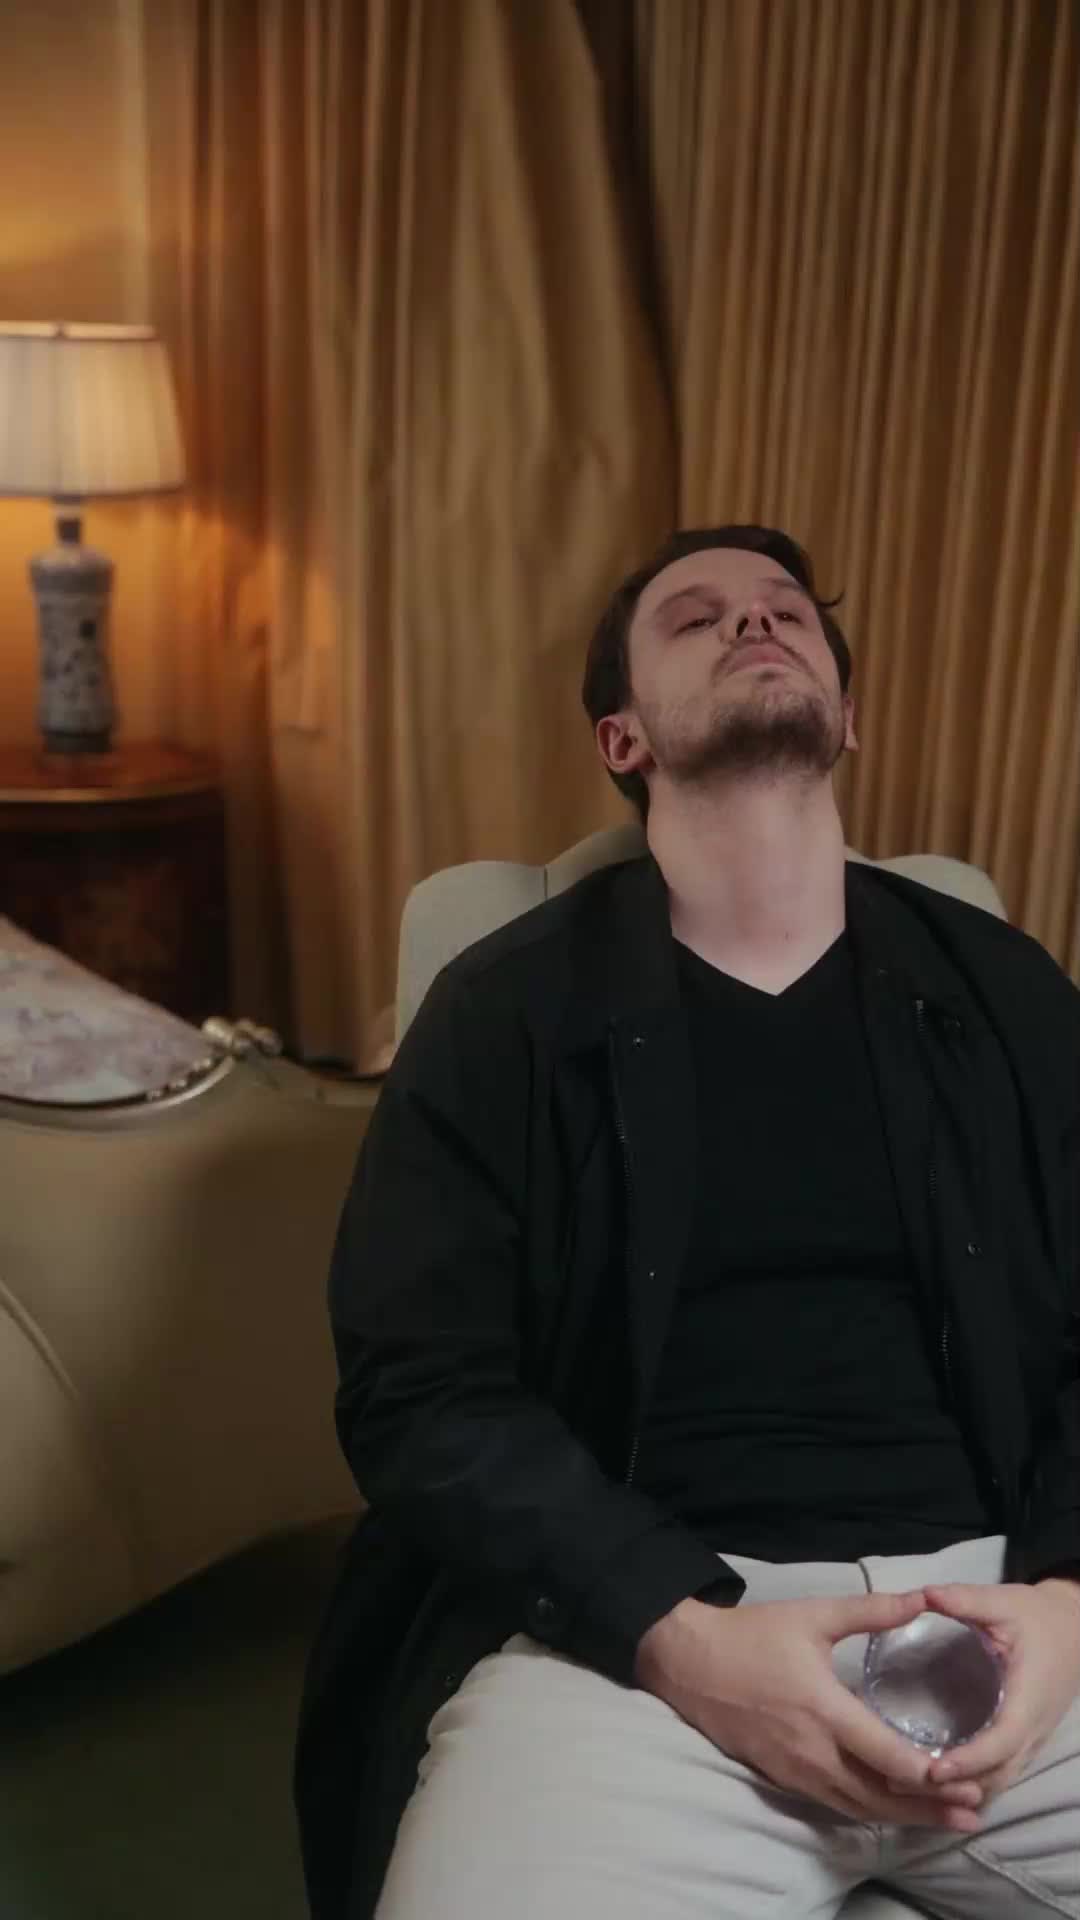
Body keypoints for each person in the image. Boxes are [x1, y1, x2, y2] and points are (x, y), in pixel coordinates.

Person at [294, 525, 1080, 1920]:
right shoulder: (501, 1013)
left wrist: (1070, 1602)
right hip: (641, 1643)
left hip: (1013, 1616)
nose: (754, 623)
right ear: (624, 736)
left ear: (847, 713)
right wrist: (678, 1636)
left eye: (786, 610)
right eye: (695, 617)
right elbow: (418, 1388)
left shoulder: (1008, 992)